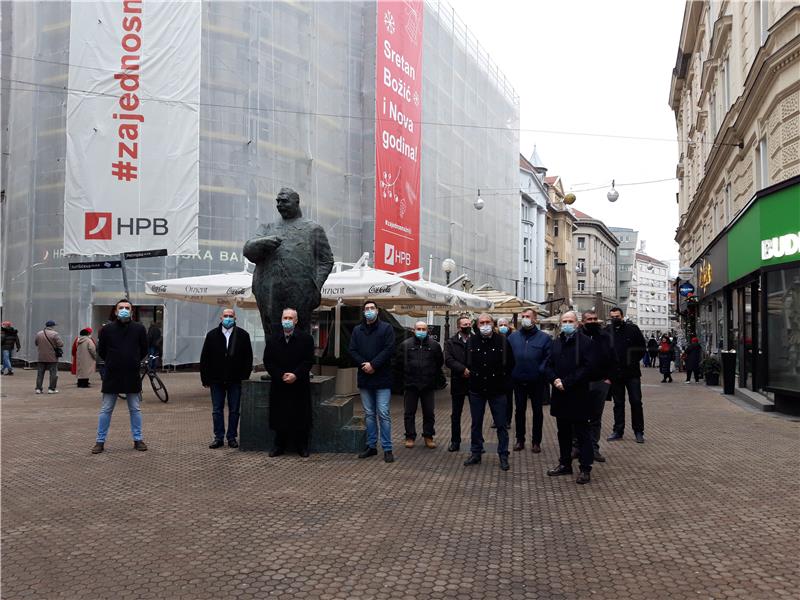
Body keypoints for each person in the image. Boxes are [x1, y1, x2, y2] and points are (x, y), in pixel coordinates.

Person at [243, 187, 334, 336]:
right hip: (269, 291)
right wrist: (263, 243)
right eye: (277, 201)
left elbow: (326, 261)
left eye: (284, 201)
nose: (279, 204)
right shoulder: (267, 228)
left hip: (301, 293)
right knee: (271, 336)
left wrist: (314, 286)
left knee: (300, 336)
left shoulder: (313, 229)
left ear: (296, 202)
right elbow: (248, 251)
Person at [92, 299, 148, 454]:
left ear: (132, 311)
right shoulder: (107, 329)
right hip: (112, 373)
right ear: (116, 311)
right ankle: (100, 441)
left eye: (127, 308)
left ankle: (138, 439)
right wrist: (112, 360)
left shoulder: (139, 328)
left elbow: (144, 348)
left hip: (131, 373)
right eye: (121, 307)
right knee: (106, 409)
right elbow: (101, 350)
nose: (124, 309)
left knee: (135, 409)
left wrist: (134, 360)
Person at [545, 311, 595, 484]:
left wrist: (567, 382)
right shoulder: (556, 343)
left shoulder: (587, 343)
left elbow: (587, 368)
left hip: (579, 394)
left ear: (577, 323)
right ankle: (565, 463)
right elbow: (548, 365)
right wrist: (554, 379)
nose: (567, 323)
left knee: (582, 433)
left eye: (570, 321)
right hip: (560, 394)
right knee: (563, 432)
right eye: (564, 321)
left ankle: (585, 468)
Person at [463, 313, 515, 471]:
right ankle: (476, 453)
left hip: (497, 390)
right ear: (477, 325)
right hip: (477, 389)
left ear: (493, 324)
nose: (485, 325)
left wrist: (504, 384)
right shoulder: (472, 341)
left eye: (488, 322)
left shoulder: (503, 341)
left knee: (501, 424)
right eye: (482, 323)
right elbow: (467, 362)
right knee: (476, 423)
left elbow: (511, 364)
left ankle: (503, 455)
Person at [263, 308, 314, 457]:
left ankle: (302, 446)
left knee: (300, 416)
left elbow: (308, 361)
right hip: (280, 384)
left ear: (296, 321)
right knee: (280, 416)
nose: (287, 321)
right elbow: (268, 361)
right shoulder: (273, 339)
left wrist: (295, 375)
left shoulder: (306, 339)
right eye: (285, 318)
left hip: (299, 384)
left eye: (290, 318)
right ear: (281, 320)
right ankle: (279, 446)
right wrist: (280, 375)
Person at [200, 308, 254, 449]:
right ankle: (218, 437)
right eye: (226, 316)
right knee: (217, 410)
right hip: (216, 380)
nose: (228, 318)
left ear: (235, 318)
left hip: (235, 380)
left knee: (234, 409)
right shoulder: (212, 335)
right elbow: (205, 358)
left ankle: (231, 437)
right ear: (221, 318)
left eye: (231, 316)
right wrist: (205, 379)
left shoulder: (243, 335)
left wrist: (244, 377)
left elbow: (248, 359)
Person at [349, 301, 396, 463]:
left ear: (377, 311)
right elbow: (352, 350)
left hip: (382, 378)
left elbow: (389, 349)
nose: (369, 311)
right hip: (365, 377)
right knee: (369, 414)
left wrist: (374, 364)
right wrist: (364, 364)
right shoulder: (357, 330)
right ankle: (371, 446)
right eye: (366, 309)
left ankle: (387, 448)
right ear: (363, 312)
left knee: (383, 413)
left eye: (372, 308)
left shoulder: (386, 328)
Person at [507, 308, 552, 453]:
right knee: (519, 411)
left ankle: (536, 442)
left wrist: (541, 370)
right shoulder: (513, 337)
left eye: (528, 316)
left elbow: (548, 357)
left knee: (537, 411)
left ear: (535, 319)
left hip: (537, 380)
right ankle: (520, 440)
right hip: (518, 379)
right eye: (523, 316)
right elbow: (507, 357)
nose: (525, 318)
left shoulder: (544, 338)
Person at [575, 310, 616, 463]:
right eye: (589, 319)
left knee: (595, 418)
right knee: (577, 415)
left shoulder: (605, 337)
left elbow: (614, 359)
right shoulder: (577, 336)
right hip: (580, 383)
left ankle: (594, 448)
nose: (592, 321)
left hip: (600, 382)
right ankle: (576, 446)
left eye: (594, 319)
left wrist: (609, 380)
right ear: (583, 322)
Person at [606, 307, 647, 444]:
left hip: (632, 373)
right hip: (615, 374)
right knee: (618, 403)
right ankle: (618, 430)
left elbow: (642, 348)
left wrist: (632, 361)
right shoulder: (607, 331)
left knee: (636, 401)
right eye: (612, 317)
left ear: (622, 316)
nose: (614, 319)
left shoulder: (632, 329)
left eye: (617, 316)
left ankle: (639, 431)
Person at [400, 321, 444, 449]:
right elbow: (398, 363)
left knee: (429, 412)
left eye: (423, 329)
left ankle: (428, 436)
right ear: (414, 330)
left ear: (427, 331)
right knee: (409, 412)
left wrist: (431, 376)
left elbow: (439, 362)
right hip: (411, 385)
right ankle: (409, 437)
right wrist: (406, 376)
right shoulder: (405, 345)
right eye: (418, 328)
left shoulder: (434, 345)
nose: (421, 331)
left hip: (428, 385)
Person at [445, 315, 473, 452]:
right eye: (464, 324)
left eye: (469, 324)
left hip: (474, 382)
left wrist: (471, 370)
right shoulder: (451, 342)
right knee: (456, 414)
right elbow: (448, 360)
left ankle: (477, 442)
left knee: (477, 414)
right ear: (458, 326)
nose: (467, 326)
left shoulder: (476, 340)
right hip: (458, 382)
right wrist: (462, 369)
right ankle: (455, 441)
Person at [34, 320, 64, 394]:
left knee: (40, 374)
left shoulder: (39, 333)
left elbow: (36, 343)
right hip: (52, 357)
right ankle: (51, 389)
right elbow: (60, 344)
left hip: (41, 357)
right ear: (53, 326)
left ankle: (38, 389)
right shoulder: (55, 334)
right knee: (53, 373)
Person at [496, 318, 514, 429]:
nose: (503, 326)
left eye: (505, 324)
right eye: (501, 325)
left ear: (509, 326)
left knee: (508, 399)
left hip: (508, 374)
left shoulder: (512, 338)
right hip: (496, 375)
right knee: (496, 399)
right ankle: (497, 419)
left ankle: (507, 420)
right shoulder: (494, 338)